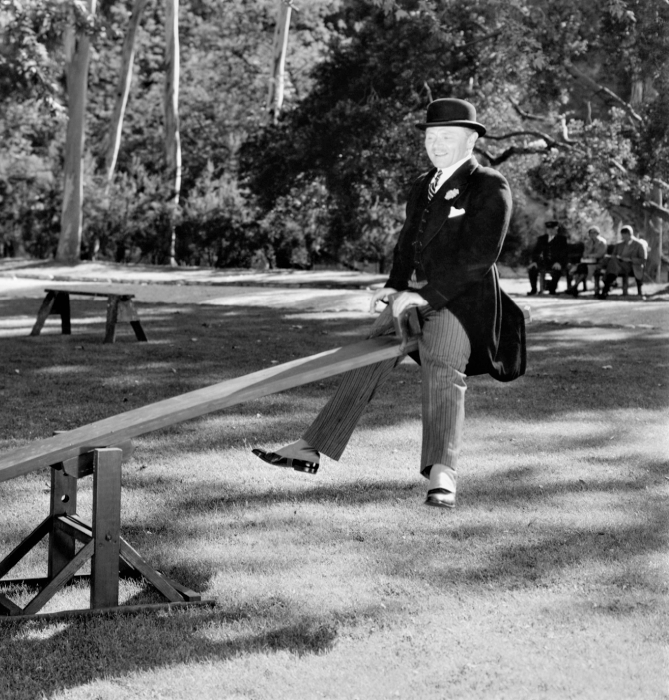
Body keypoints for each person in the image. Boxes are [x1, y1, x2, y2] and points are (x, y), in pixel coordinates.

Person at [252, 97, 526, 509]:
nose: (436, 144)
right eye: (431, 137)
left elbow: (479, 256)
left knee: (443, 369)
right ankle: (311, 447)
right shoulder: (422, 184)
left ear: (470, 140)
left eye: (447, 137)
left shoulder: (489, 184)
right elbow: (405, 245)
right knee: (364, 358)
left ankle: (442, 475)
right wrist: (395, 286)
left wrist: (422, 294)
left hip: (462, 304)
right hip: (411, 297)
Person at [599, 225, 648, 298]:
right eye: (623, 236)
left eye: (625, 236)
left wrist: (630, 259)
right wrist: (618, 257)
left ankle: (607, 286)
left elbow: (643, 259)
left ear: (630, 234)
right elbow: (614, 256)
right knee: (613, 261)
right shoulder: (619, 244)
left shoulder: (639, 245)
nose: (624, 238)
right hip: (618, 266)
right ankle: (607, 288)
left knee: (613, 264)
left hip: (632, 266)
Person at [527, 221, 570, 295]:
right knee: (532, 269)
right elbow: (536, 251)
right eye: (548, 229)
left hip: (557, 262)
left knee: (556, 270)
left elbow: (564, 253)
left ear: (556, 229)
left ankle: (552, 289)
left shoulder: (562, 239)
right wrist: (534, 261)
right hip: (544, 262)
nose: (550, 231)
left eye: (552, 229)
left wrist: (559, 263)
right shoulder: (542, 239)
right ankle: (533, 289)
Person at [568, 226, 608, 296]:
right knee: (581, 268)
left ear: (597, 233)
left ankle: (575, 286)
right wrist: (589, 251)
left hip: (599, 263)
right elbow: (585, 253)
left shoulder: (602, 242)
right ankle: (575, 287)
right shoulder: (588, 243)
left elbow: (600, 254)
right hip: (588, 262)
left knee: (585, 268)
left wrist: (590, 255)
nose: (592, 235)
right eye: (590, 233)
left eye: (594, 233)